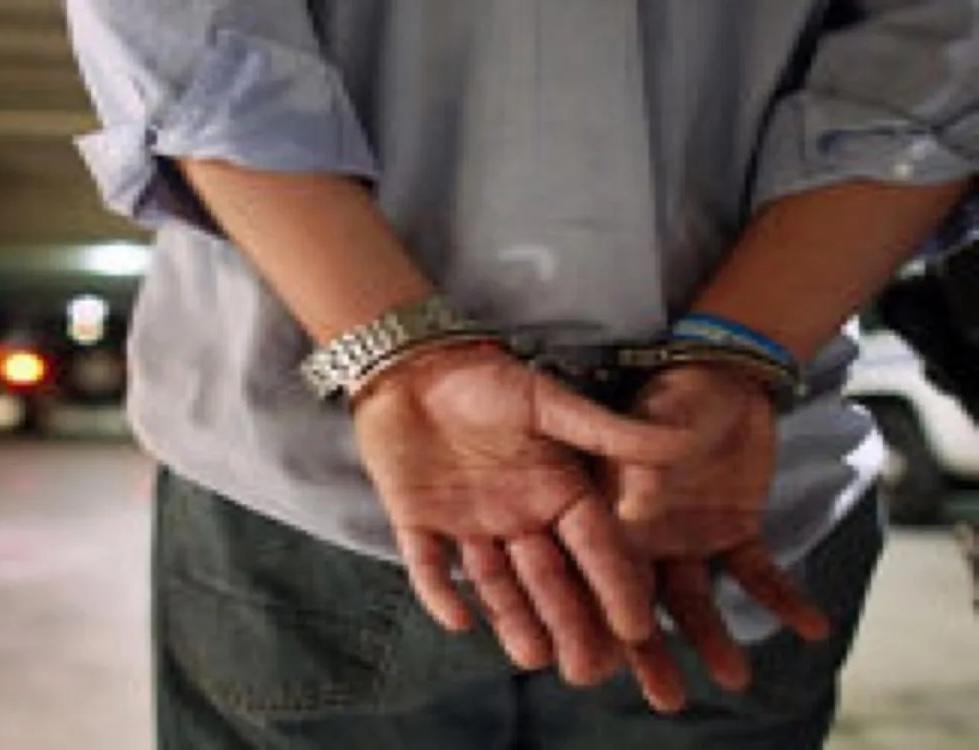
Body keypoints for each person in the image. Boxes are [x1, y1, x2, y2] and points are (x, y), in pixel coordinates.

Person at [64, 1, 978, 747]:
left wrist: (404, 363)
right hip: (723, 479)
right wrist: (737, 357)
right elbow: (938, 64)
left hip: (320, 462)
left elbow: (193, 44)